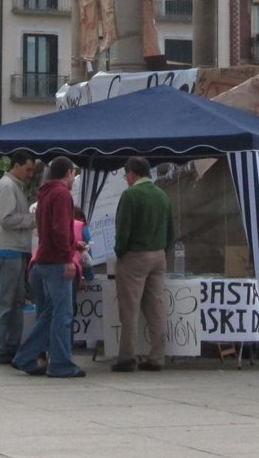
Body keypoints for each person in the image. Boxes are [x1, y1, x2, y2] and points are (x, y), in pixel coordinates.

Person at [12, 156, 85, 379]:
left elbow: (49, 229)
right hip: (56, 263)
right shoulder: (62, 194)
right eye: (73, 174)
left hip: (41, 260)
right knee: (63, 314)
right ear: (69, 172)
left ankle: (25, 357)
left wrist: (73, 244)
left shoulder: (44, 194)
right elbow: (60, 229)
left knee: (49, 314)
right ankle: (60, 364)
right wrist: (68, 257)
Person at [111, 155, 175, 373]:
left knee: (129, 309)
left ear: (132, 173)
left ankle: (127, 357)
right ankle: (157, 357)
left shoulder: (131, 195)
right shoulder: (162, 195)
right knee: (156, 308)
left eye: (125, 175)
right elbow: (171, 231)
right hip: (158, 255)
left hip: (135, 256)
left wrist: (120, 252)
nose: (126, 179)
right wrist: (163, 250)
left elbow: (123, 229)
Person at [0, 155, 36, 364]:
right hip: (8, 249)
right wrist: (31, 220)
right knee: (6, 301)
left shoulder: (14, 186)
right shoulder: (7, 186)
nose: (29, 174)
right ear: (16, 165)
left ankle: (10, 345)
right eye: (28, 169)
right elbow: (6, 219)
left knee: (16, 301)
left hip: (15, 249)